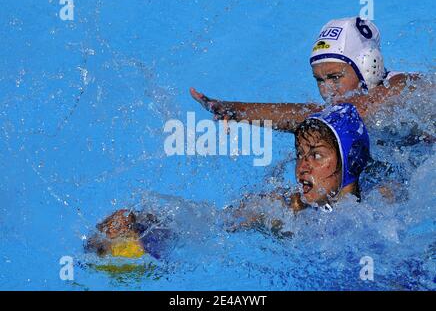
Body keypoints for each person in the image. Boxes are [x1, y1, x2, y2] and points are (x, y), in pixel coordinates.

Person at [85, 104, 371, 258]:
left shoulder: (381, 214)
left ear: (350, 162)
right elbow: (208, 225)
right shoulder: (284, 210)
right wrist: (144, 225)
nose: (303, 166)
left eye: (317, 156)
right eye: (300, 155)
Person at [189, 16, 422, 133]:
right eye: (319, 80)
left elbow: (355, 110)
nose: (327, 89)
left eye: (334, 77)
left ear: (368, 66)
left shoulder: (403, 86)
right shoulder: (340, 114)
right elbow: (312, 117)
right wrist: (236, 112)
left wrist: (240, 111)